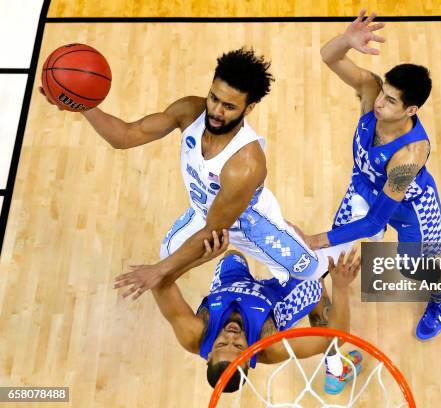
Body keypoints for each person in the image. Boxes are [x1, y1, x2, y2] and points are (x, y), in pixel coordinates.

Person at [40, 48, 352, 299]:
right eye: (214, 98)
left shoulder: (245, 164)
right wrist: (80, 104)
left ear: (250, 107)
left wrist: (159, 271)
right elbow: (125, 137)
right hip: (205, 214)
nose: (216, 111)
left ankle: (350, 240)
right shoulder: (190, 111)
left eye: (229, 106)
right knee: (168, 256)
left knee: (311, 275)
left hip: (253, 226)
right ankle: (297, 233)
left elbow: (213, 234)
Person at [300, 11, 441, 340]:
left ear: (411, 110)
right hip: (365, 189)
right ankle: (322, 310)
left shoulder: (409, 154)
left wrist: (316, 238)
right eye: (384, 92)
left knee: (414, 268)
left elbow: (373, 223)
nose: (380, 102)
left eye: (392, 100)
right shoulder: (372, 93)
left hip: (410, 209)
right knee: (333, 254)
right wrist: (345, 40)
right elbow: (328, 57)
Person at [120, 228, 362, 393]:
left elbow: (162, 283)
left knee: (231, 255)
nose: (231, 336)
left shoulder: (193, 333)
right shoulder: (272, 347)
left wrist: (200, 259)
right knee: (316, 278)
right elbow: (336, 337)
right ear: (250, 358)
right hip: (278, 301)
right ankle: (336, 371)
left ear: (208, 357)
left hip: (230, 286)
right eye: (238, 347)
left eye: (221, 344)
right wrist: (340, 287)